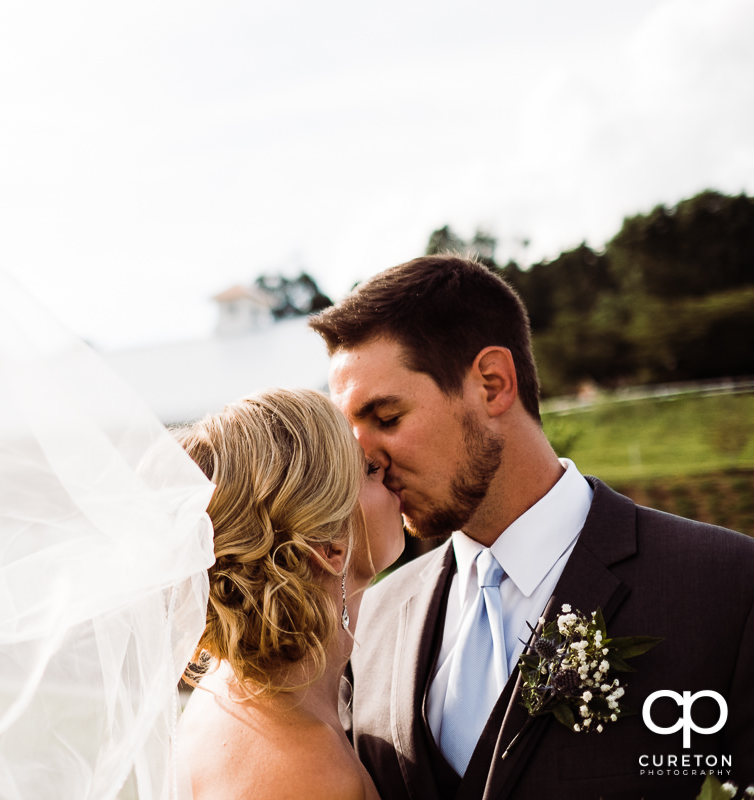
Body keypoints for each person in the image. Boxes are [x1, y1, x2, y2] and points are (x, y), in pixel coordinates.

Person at [308, 254, 754, 800]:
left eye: (387, 418)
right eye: (351, 435)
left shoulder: (729, 587)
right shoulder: (368, 622)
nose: (366, 462)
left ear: (493, 384)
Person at [174, 387, 405, 800]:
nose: (388, 470)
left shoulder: (226, 691)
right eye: (369, 470)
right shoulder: (309, 771)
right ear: (331, 548)